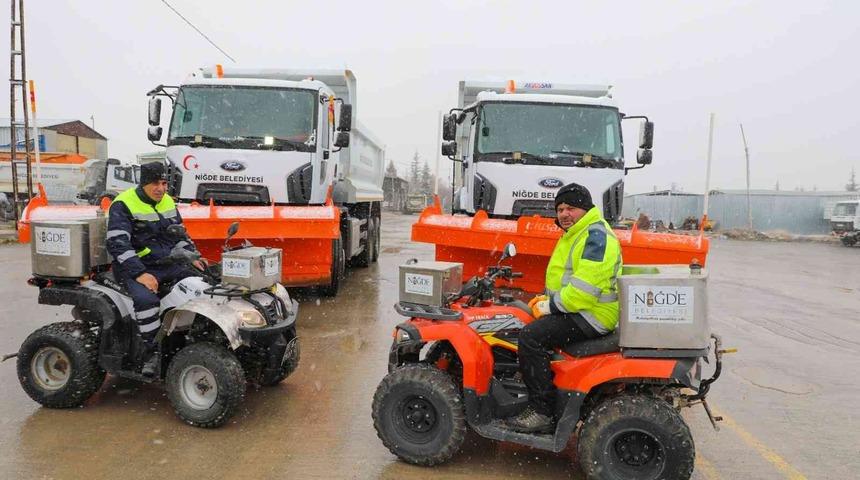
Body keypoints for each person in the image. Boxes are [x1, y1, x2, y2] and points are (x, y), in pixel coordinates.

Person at [507, 182, 622, 433]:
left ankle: (541, 411)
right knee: (522, 320)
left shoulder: (595, 236)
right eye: (559, 209)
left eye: (570, 208)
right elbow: (568, 280)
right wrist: (545, 300)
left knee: (530, 337)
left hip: (592, 315)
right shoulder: (578, 234)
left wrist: (550, 306)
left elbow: (583, 291)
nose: (564, 214)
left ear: (585, 208)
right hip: (580, 309)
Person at [106, 162, 204, 376]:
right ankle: (150, 352)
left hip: (167, 262)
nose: (160, 188)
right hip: (134, 267)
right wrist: (140, 274)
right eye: (154, 184)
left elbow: (180, 234)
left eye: (163, 183)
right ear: (143, 183)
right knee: (147, 300)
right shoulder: (123, 204)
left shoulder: (167, 201)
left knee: (204, 285)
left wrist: (192, 256)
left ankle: (192, 337)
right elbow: (117, 245)